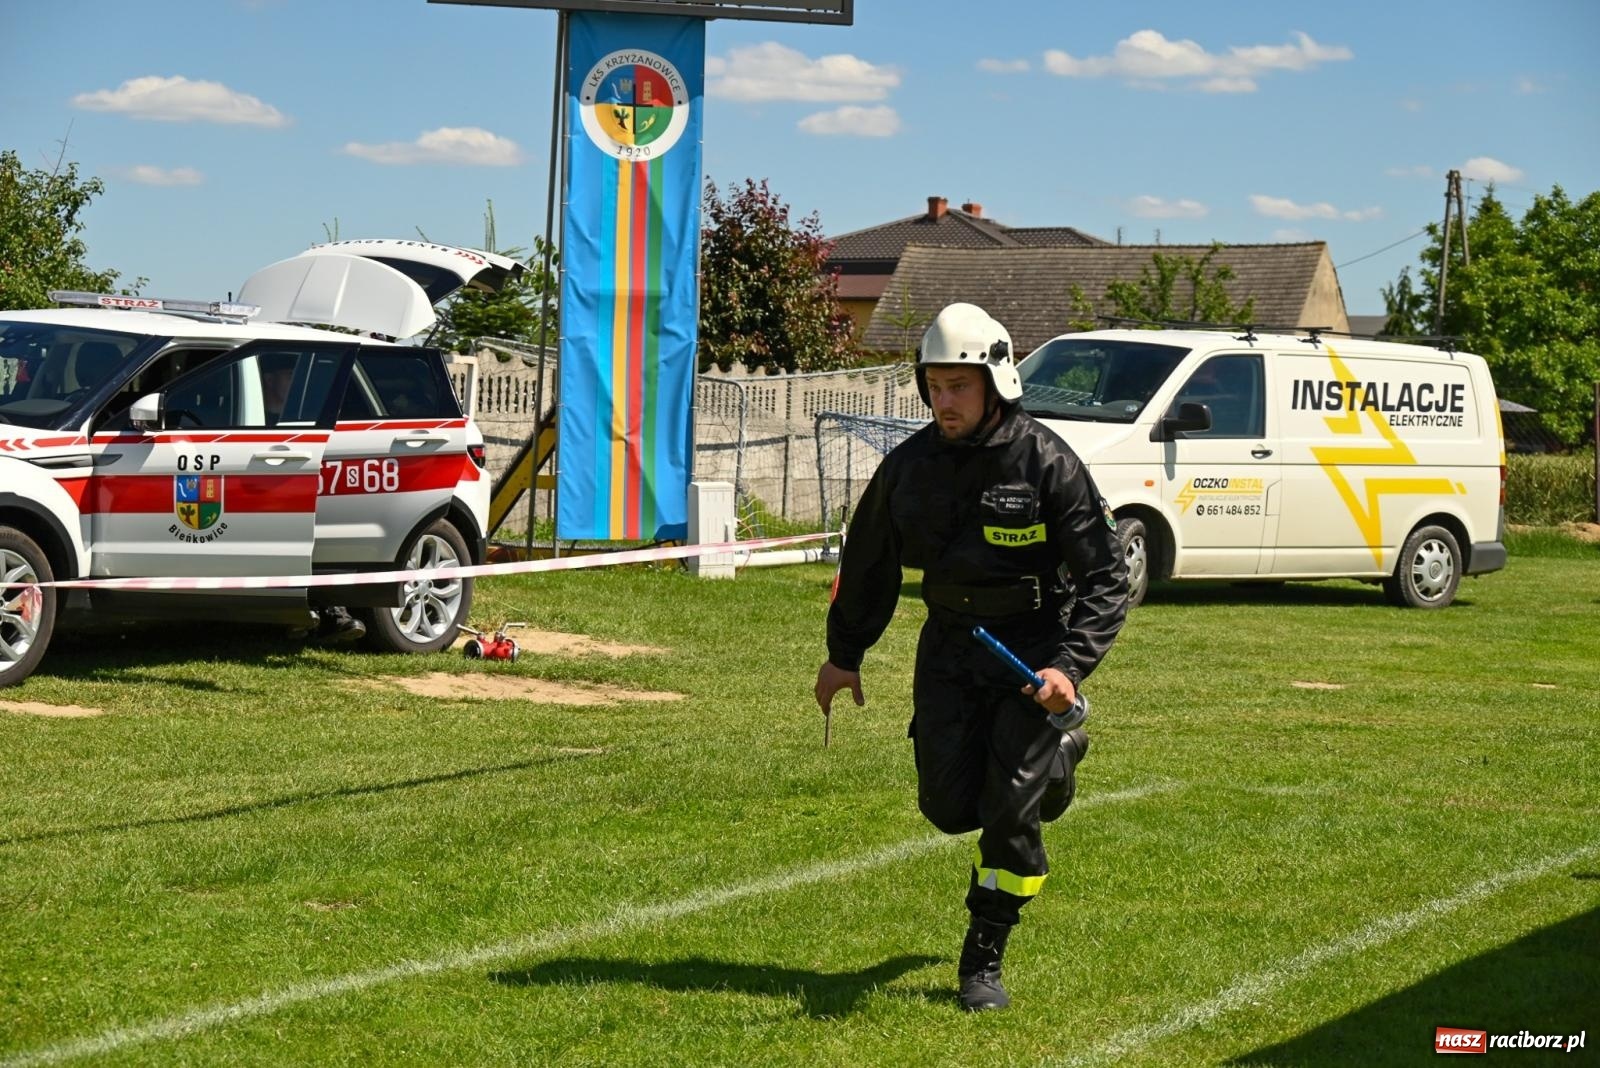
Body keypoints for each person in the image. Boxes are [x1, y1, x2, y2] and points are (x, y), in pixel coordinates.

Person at [814, 303, 1128, 1012]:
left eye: (959, 385)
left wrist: (1068, 667)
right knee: (948, 807)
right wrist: (844, 656)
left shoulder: (1048, 461)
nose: (943, 401)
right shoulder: (909, 468)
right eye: (934, 385)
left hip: (1032, 655)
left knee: (1005, 811)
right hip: (950, 651)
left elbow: (1108, 576)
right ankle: (1062, 756)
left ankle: (982, 956)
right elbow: (870, 566)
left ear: (996, 381)